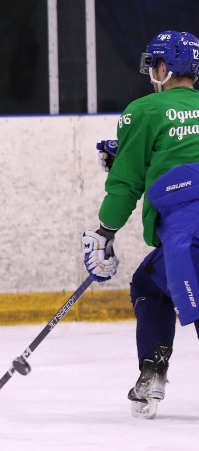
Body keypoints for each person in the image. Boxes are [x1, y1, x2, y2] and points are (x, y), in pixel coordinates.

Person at [83, 30, 199, 419]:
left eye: (154, 65)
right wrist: (133, 151)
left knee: (151, 287)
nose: (152, 73)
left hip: (191, 237)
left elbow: (126, 184)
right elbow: (183, 151)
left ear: (164, 69)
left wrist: (104, 233)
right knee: (154, 278)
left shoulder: (144, 110)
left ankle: (152, 373)